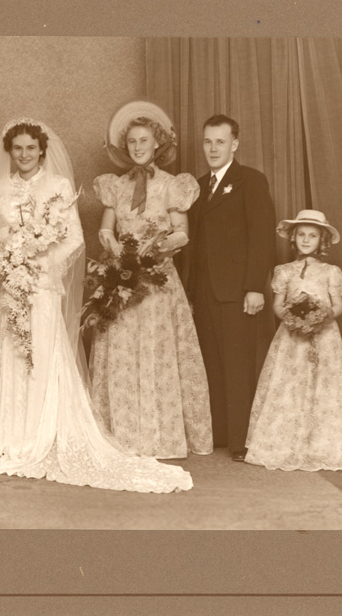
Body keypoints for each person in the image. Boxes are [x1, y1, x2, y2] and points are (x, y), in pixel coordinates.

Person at [0, 117, 192, 493]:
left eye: (31, 148)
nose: (24, 154)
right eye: (17, 148)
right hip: (16, 284)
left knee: (46, 356)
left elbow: (72, 241)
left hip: (48, 284)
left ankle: (47, 431)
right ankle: (14, 436)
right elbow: (0, 235)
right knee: (16, 350)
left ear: (42, 150)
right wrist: (14, 257)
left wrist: (42, 264)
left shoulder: (59, 186)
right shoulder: (3, 187)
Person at [88, 101, 213, 459]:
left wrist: (154, 249)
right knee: (123, 349)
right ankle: (123, 431)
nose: (138, 147)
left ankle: (161, 432)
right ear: (124, 148)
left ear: (157, 143)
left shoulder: (173, 185)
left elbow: (182, 233)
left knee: (157, 351)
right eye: (131, 142)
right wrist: (116, 248)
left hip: (158, 281)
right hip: (123, 278)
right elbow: (105, 229)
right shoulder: (115, 186)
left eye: (144, 140)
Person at [244, 210, 342, 471]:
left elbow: (338, 304)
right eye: (301, 235)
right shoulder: (284, 271)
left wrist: (322, 317)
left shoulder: (331, 272)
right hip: (292, 336)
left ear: (322, 240)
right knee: (289, 384)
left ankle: (326, 443)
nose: (306, 240)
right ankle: (287, 443)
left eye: (312, 235)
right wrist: (291, 319)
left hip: (325, 335)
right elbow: (277, 304)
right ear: (293, 239)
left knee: (329, 384)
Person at [185, 114, 277, 462]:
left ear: (234, 144)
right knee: (211, 364)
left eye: (220, 142)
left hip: (238, 291)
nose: (212, 148)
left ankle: (240, 442)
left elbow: (263, 235)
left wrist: (255, 287)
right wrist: (190, 292)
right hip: (205, 292)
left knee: (238, 366)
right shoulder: (197, 185)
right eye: (207, 141)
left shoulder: (250, 181)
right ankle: (221, 435)